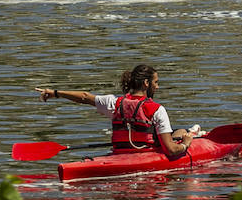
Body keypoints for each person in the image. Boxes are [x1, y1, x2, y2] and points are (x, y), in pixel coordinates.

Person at [36, 63, 195, 158]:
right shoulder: (157, 110)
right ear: (146, 83)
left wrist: (55, 93)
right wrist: (186, 145)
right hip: (144, 156)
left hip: (120, 154)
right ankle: (192, 134)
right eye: (156, 82)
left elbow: (85, 97)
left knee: (180, 130)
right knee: (182, 135)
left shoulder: (113, 103)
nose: (157, 86)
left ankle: (188, 131)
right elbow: (171, 149)